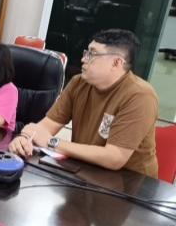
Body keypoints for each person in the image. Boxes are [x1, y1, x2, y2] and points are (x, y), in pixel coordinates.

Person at [9, 29, 158, 178]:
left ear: (116, 62)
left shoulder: (139, 96)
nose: (83, 59)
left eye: (92, 54)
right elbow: (46, 126)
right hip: (85, 171)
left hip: (130, 183)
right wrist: (25, 139)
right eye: (86, 52)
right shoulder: (78, 83)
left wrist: (51, 142)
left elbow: (114, 158)